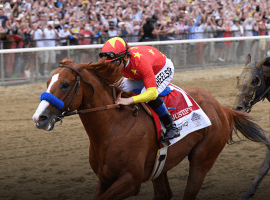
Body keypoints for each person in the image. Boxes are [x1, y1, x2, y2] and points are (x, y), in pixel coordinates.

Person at [98, 37, 180, 142]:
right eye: (109, 63)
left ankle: (171, 126)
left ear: (125, 58)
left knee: (145, 95)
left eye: (114, 63)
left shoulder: (141, 63)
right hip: (141, 73)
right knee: (118, 87)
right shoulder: (119, 61)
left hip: (162, 69)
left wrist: (129, 100)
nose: (111, 67)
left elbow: (151, 94)